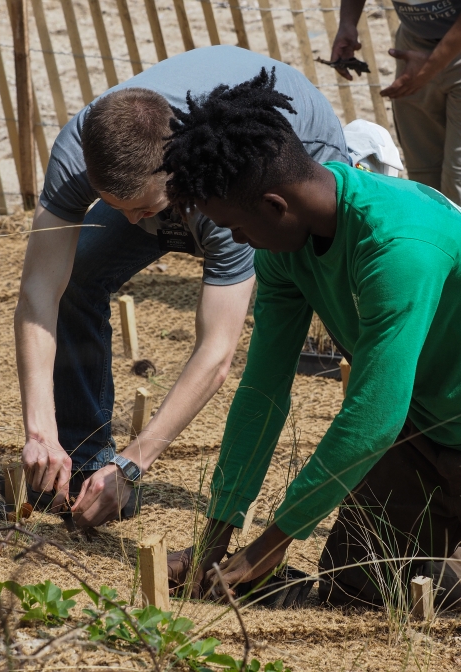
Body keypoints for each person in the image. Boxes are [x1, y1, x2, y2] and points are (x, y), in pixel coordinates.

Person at [14, 46, 350, 528]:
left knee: (328, 316)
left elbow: (216, 353)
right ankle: (84, 462)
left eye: (142, 210)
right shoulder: (78, 152)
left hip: (292, 156)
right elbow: (37, 293)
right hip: (170, 164)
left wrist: (133, 464)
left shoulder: (232, 199)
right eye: (115, 206)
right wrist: (39, 429)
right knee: (78, 275)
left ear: (175, 175)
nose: (130, 222)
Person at [163, 70, 461, 608]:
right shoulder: (284, 252)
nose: (233, 241)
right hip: (428, 430)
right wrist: (217, 539)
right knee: (361, 588)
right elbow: (263, 391)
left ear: (276, 206)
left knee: (426, 598)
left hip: (420, 421)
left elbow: (375, 417)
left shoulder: (399, 245)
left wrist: (270, 545)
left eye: (235, 226)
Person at [330, 0, 461, 205]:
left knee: (457, 182)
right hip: (413, 44)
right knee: (424, 180)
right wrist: (348, 23)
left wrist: (432, 65)